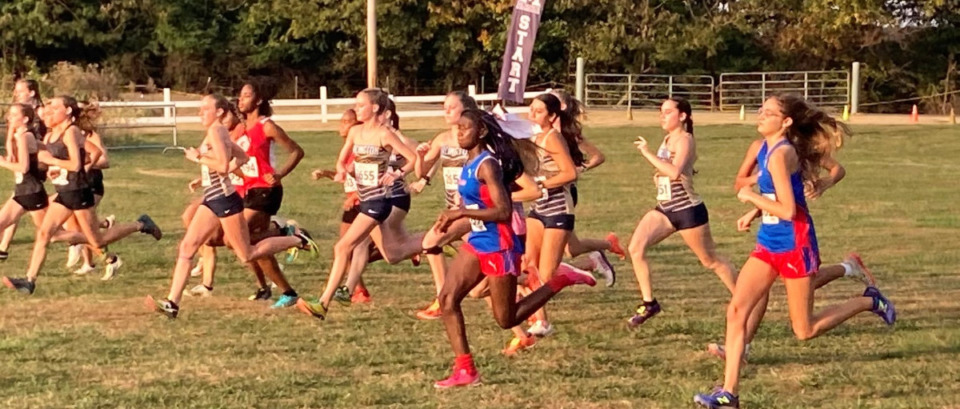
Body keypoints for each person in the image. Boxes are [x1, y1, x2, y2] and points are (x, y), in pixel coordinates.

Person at [693, 95, 896, 408]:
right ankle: (729, 394)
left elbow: (788, 211)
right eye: (760, 109)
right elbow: (781, 197)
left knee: (804, 329)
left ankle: (870, 301)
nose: (760, 114)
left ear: (786, 122)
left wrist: (751, 198)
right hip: (768, 242)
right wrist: (755, 212)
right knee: (736, 311)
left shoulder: (781, 153)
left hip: (795, 243)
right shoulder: (768, 150)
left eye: (769, 112)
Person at [434, 109, 596, 388]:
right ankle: (466, 370)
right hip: (479, 240)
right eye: (456, 128)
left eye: (465, 128)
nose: (458, 132)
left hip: (500, 244)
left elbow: (503, 211)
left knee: (506, 319)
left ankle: (561, 279)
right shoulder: (468, 163)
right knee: (448, 301)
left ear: (481, 132)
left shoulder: (488, 165)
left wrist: (460, 214)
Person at [146, 94, 316, 319]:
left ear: (218, 112)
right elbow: (243, 158)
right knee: (188, 247)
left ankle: (298, 239)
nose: (200, 112)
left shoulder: (217, 131)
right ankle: (172, 303)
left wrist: (198, 158)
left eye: (205, 109)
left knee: (246, 254)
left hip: (225, 200)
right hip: (212, 198)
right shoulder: (217, 132)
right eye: (200, 108)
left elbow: (224, 165)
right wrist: (208, 175)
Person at [3, 95, 162, 295]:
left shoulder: (72, 132)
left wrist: (69, 166)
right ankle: (29, 281)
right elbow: (55, 160)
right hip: (63, 193)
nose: (50, 112)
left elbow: (83, 160)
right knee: (44, 233)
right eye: (49, 108)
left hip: (78, 193)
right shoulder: (51, 135)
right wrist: (50, 166)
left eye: (55, 108)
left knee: (98, 241)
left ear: (68, 111)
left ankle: (140, 224)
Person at [626, 97, 737, 327]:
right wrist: (658, 176)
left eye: (668, 112)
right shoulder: (667, 139)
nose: (662, 116)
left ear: (683, 116)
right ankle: (649, 303)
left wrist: (647, 154)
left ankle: (743, 298)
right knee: (635, 248)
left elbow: (675, 173)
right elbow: (668, 172)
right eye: (661, 112)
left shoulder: (685, 140)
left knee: (711, 261)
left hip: (688, 210)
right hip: (665, 209)